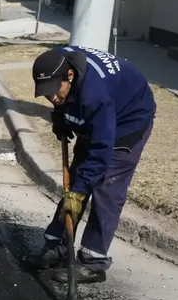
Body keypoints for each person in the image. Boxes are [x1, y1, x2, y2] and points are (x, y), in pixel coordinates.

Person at [29, 46, 157, 284]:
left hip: (128, 119)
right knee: (77, 179)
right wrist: (60, 116)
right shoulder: (55, 63)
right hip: (102, 113)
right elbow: (60, 97)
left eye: (55, 92)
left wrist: (79, 192)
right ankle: (58, 246)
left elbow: (101, 149)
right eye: (46, 94)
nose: (52, 98)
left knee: (106, 185)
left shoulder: (95, 95)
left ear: (69, 77)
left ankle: (93, 262)